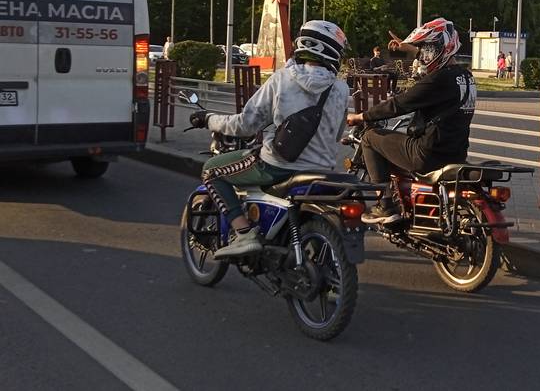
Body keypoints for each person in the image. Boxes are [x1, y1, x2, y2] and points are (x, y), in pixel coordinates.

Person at [189, 20, 350, 258]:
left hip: (279, 167)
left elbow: (246, 125)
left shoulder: (282, 79)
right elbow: (337, 134)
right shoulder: (341, 89)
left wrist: (210, 119)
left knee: (212, 170)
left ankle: (244, 233)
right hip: (322, 169)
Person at [346, 18, 476, 224]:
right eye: (423, 49)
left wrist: (361, 116)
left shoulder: (437, 80)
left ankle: (385, 205)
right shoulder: (465, 77)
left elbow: (400, 104)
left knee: (370, 138)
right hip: (456, 152)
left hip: (427, 154)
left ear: (445, 46)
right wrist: (410, 48)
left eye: (428, 49)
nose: (425, 55)